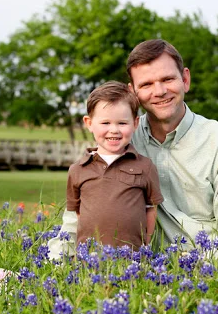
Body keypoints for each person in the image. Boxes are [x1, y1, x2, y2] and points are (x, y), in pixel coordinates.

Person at [49, 39, 218, 261]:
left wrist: (197, 270)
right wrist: (57, 260)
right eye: (146, 84)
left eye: (168, 79)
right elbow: (80, 212)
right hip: (159, 260)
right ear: (133, 93)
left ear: (185, 79)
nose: (159, 91)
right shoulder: (121, 141)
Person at [67, 81, 164, 249]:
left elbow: (151, 209)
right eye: (105, 123)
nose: (114, 130)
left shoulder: (145, 166)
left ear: (135, 123)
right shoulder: (78, 170)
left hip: (131, 256)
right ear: (89, 123)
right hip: (89, 257)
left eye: (122, 123)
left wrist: (145, 246)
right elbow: (78, 213)